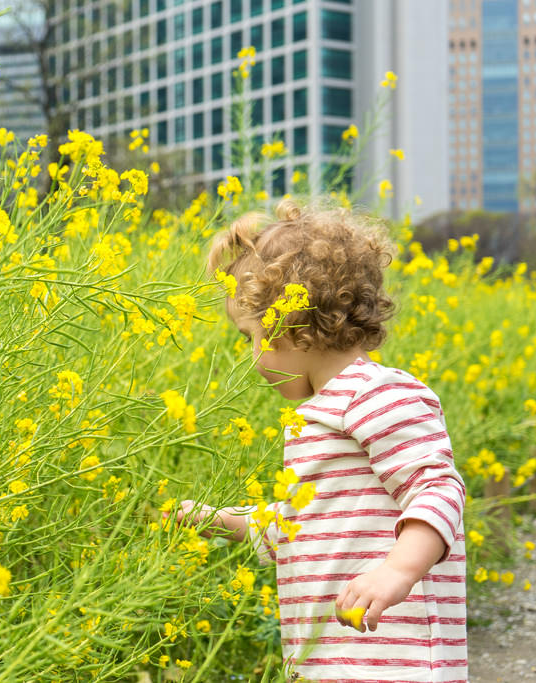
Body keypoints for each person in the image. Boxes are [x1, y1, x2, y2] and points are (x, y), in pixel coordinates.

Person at [166, 199, 467, 682]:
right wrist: (229, 523)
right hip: (330, 656)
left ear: (290, 320)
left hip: (396, 657)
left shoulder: (380, 394)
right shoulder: (315, 416)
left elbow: (438, 489)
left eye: (250, 337)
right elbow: (305, 525)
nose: (250, 358)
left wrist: (397, 572)